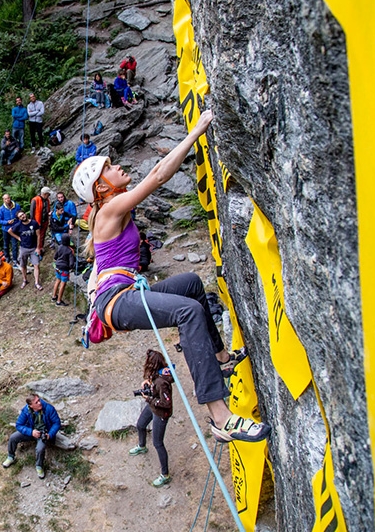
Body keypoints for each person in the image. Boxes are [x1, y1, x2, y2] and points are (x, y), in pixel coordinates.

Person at [73, 110, 268, 443]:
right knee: (188, 312)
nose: (116, 166)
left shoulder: (108, 209)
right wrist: (197, 131)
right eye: (108, 168)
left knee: (191, 283)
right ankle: (220, 417)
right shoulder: (109, 210)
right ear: (100, 187)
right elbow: (159, 175)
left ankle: (220, 358)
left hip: (121, 293)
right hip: (117, 301)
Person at [129, 349, 174, 487]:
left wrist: (149, 399)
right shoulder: (158, 374)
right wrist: (147, 382)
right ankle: (142, 446)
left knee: (158, 443)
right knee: (141, 425)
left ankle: (165, 475)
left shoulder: (161, 382)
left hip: (160, 413)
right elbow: (153, 382)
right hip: (153, 406)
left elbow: (167, 403)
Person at [2, 394, 61, 479]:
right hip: (31, 431)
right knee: (13, 437)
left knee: (40, 449)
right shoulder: (26, 410)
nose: (39, 403)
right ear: (31, 405)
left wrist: (50, 434)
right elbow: (19, 425)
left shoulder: (49, 408)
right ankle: (10, 457)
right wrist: (31, 432)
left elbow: (56, 423)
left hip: (43, 433)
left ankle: (39, 466)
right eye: (36, 402)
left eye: (39, 400)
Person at [8, 211, 43, 291]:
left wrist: (38, 248)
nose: (23, 216)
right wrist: (18, 238)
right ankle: (24, 280)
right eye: (20, 216)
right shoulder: (18, 225)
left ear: (25, 214)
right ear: (19, 218)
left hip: (34, 248)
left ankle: (36, 282)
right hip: (23, 248)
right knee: (23, 265)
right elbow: (10, 231)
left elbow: (38, 235)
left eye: (23, 214)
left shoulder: (34, 223)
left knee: (36, 265)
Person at [0, 194, 21, 263]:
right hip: (6, 229)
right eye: (5, 199)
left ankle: (15, 259)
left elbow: (20, 215)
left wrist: (18, 224)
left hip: (14, 228)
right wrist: (7, 222)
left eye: (8, 198)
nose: (7, 200)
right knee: (6, 244)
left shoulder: (16, 206)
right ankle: (7, 257)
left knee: (15, 244)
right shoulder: (1, 209)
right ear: (3, 200)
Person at [52, 236, 76, 306]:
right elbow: (71, 263)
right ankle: (59, 301)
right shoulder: (70, 250)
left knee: (57, 281)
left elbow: (55, 257)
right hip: (64, 269)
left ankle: (54, 296)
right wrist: (71, 267)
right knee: (63, 284)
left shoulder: (60, 247)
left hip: (58, 267)